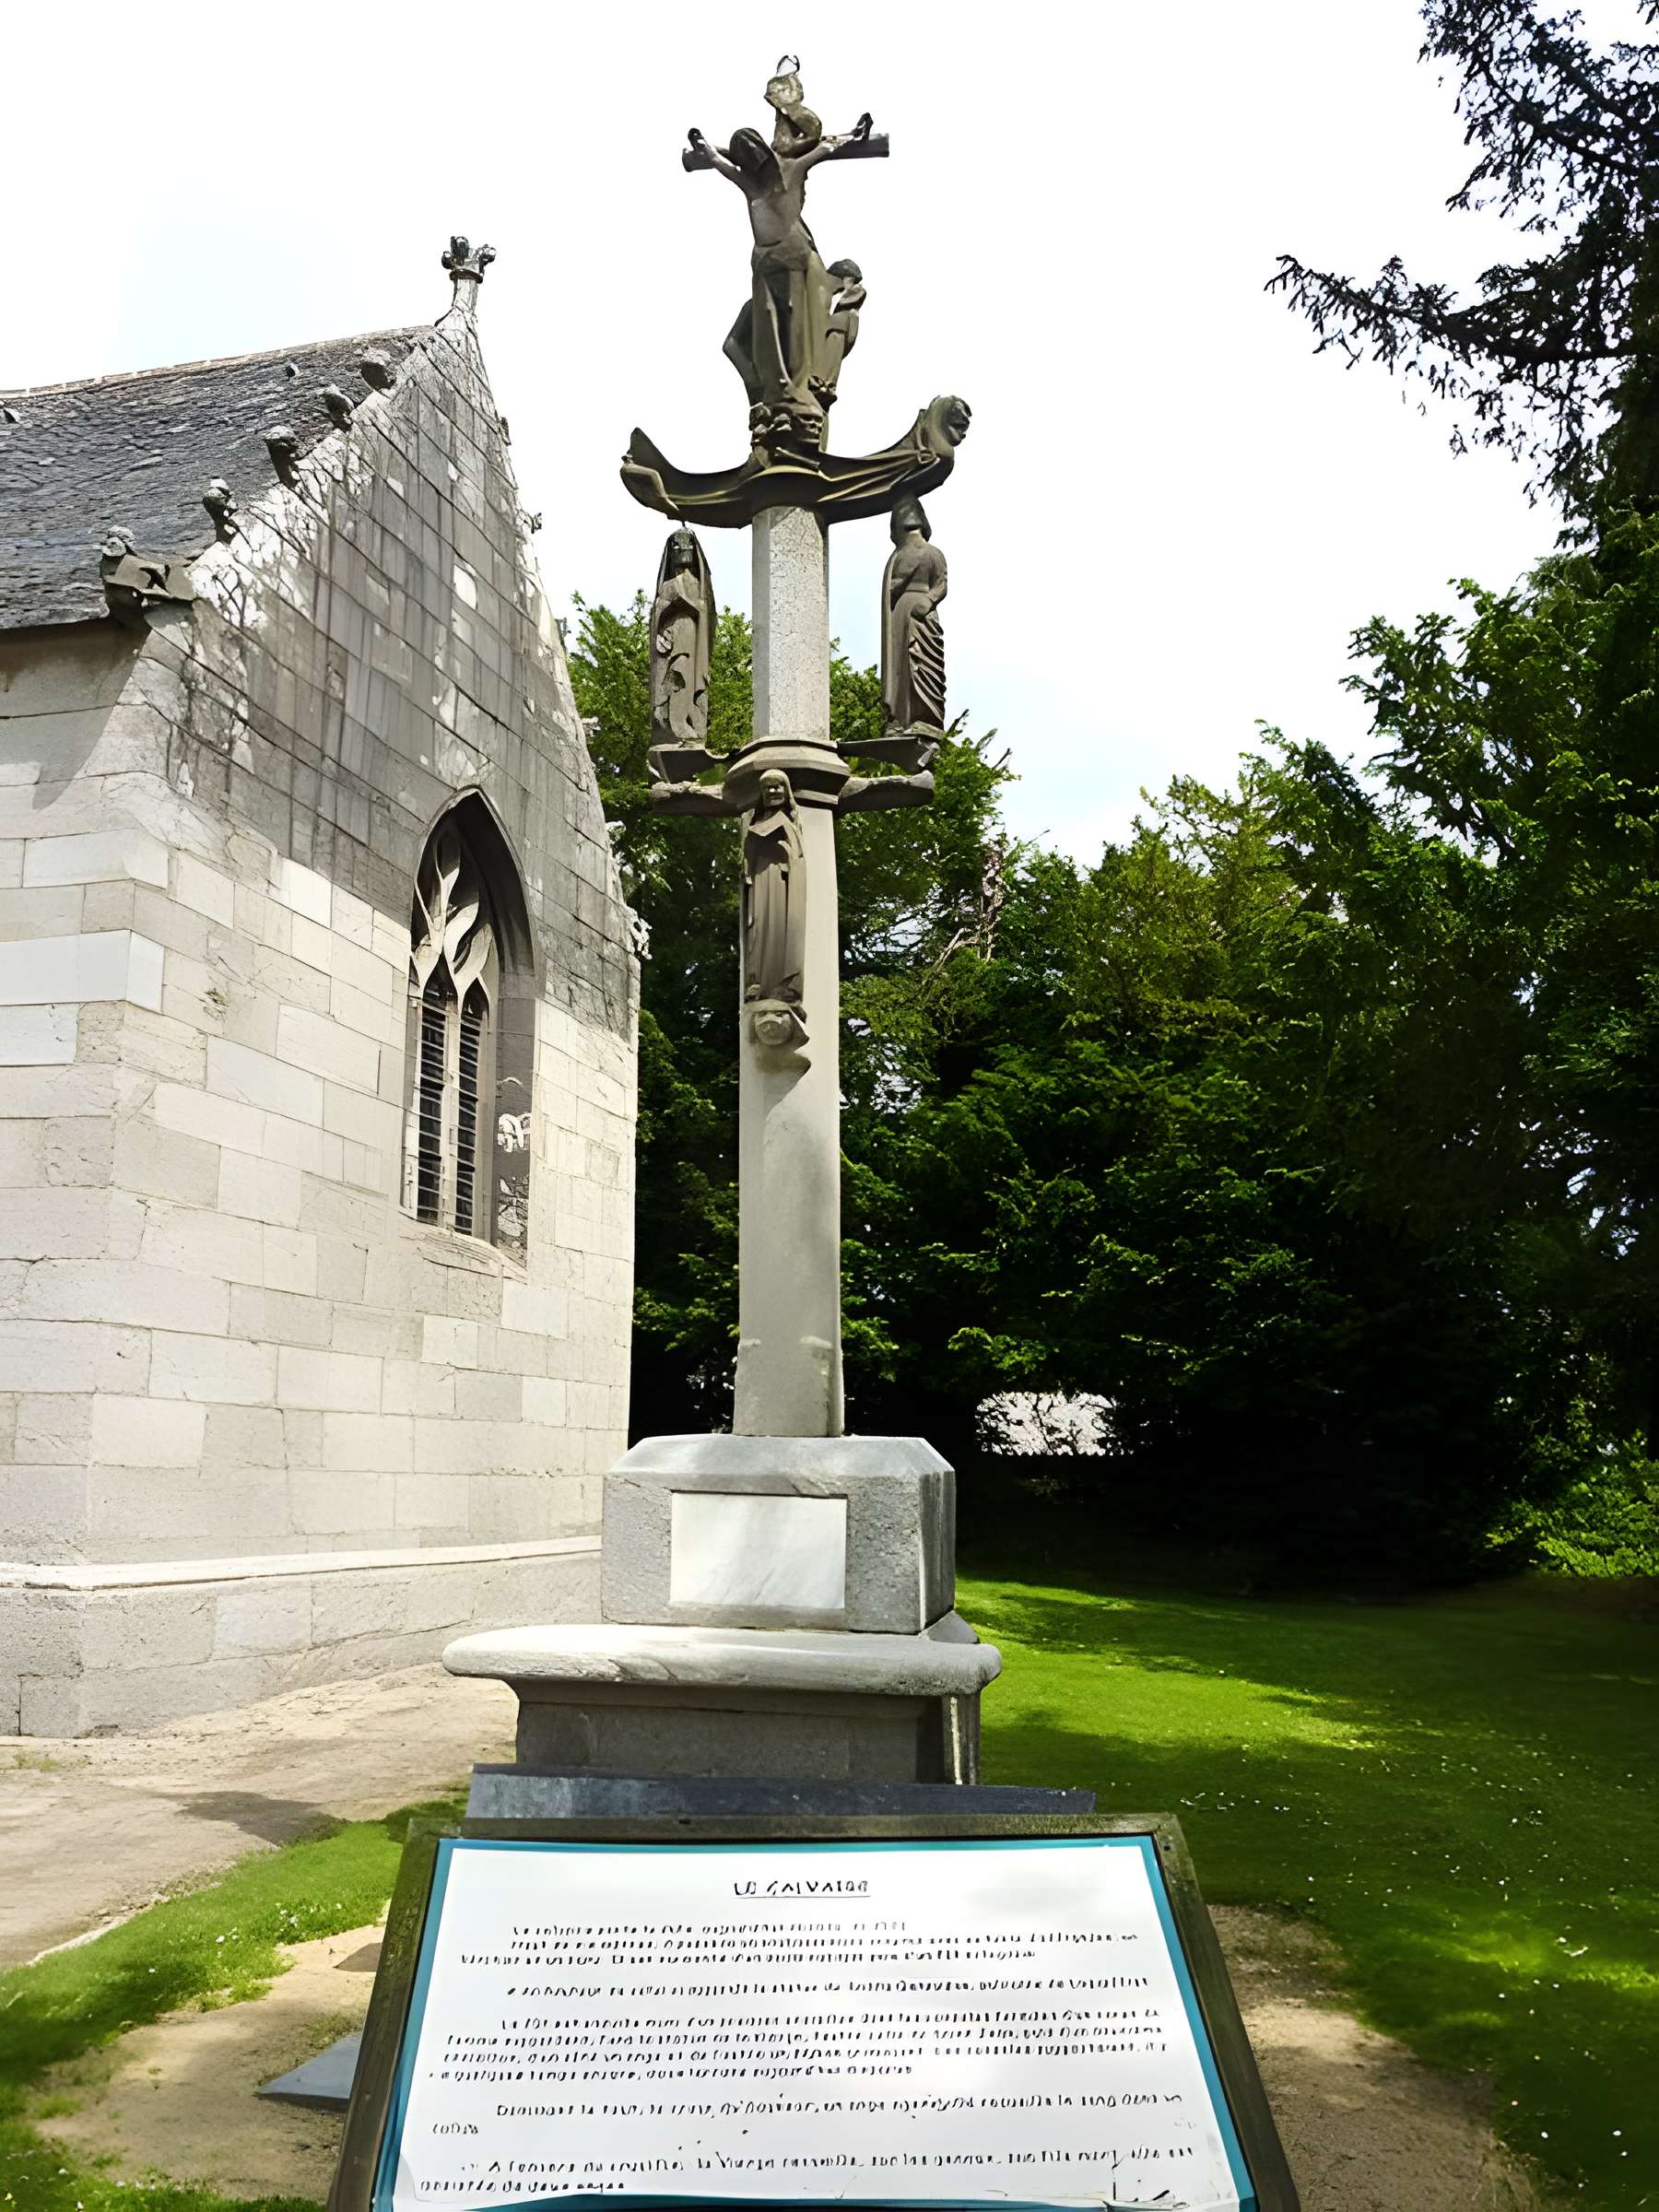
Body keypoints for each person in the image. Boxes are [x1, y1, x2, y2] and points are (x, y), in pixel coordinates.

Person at [880, 497, 948, 732]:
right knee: (902, 666)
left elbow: (941, 584)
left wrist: (928, 600)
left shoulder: (933, 553)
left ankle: (925, 718)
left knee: (923, 665)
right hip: (901, 617)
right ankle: (900, 719)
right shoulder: (897, 556)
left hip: (923, 617)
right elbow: (891, 587)